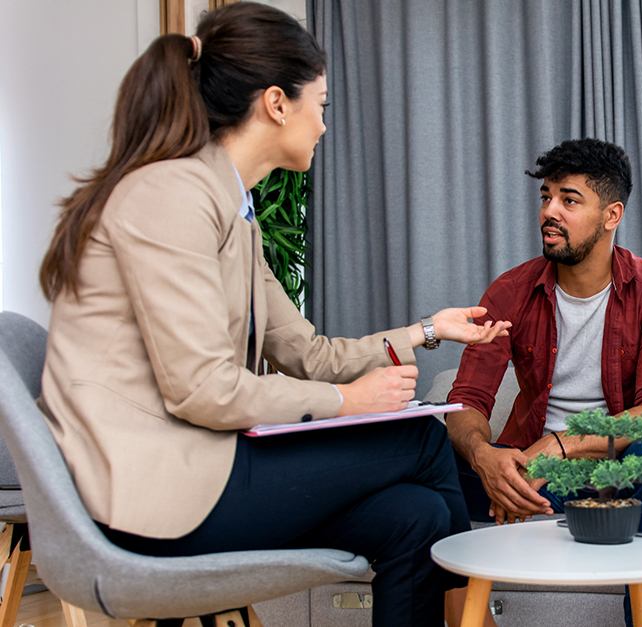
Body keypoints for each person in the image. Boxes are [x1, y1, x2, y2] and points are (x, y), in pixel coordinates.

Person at [36, 5, 509, 626]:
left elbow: (306, 353)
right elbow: (202, 389)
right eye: (321, 104)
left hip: (201, 471)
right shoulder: (170, 194)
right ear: (277, 103)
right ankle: (475, 617)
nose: (323, 124)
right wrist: (349, 402)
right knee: (420, 436)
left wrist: (427, 330)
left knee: (414, 516)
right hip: (149, 500)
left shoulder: (234, 211)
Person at [445, 138, 642, 627]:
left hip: (617, 476)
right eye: (546, 197)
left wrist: (559, 445)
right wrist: (484, 456)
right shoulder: (511, 290)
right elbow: (467, 399)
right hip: (532, 478)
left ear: (612, 215)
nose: (549, 212)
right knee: (423, 453)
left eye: (569, 200)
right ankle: (469, 618)